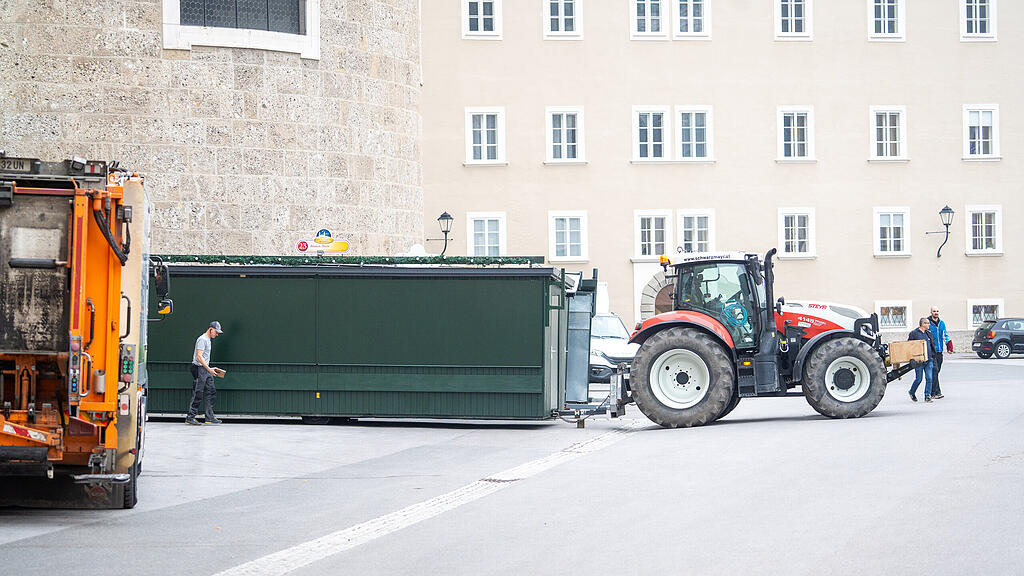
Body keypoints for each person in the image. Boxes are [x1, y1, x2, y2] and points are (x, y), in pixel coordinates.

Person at [186, 321, 224, 425]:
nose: (217, 334)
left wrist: (210, 368)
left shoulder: (208, 340)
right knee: (198, 393)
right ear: (210, 329)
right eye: (216, 332)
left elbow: (203, 358)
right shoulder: (202, 339)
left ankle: (209, 417)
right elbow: (199, 356)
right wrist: (209, 369)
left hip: (205, 369)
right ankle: (190, 417)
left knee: (211, 391)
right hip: (199, 369)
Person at [908, 317, 936, 403]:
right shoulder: (914, 333)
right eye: (927, 323)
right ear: (923, 324)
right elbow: (909, 345)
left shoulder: (928, 333)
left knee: (929, 378)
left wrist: (933, 355)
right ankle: (912, 392)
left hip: (929, 360)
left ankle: (927, 396)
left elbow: (932, 344)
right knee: (919, 379)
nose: (929, 325)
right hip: (919, 360)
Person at [928, 306, 951, 399]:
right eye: (934, 311)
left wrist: (949, 345)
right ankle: (936, 392)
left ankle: (931, 392)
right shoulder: (927, 323)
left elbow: (945, 335)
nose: (936, 313)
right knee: (935, 371)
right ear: (931, 312)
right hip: (931, 351)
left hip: (939, 352)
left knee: (936, 372)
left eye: (937, 311)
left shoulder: (942, 323)